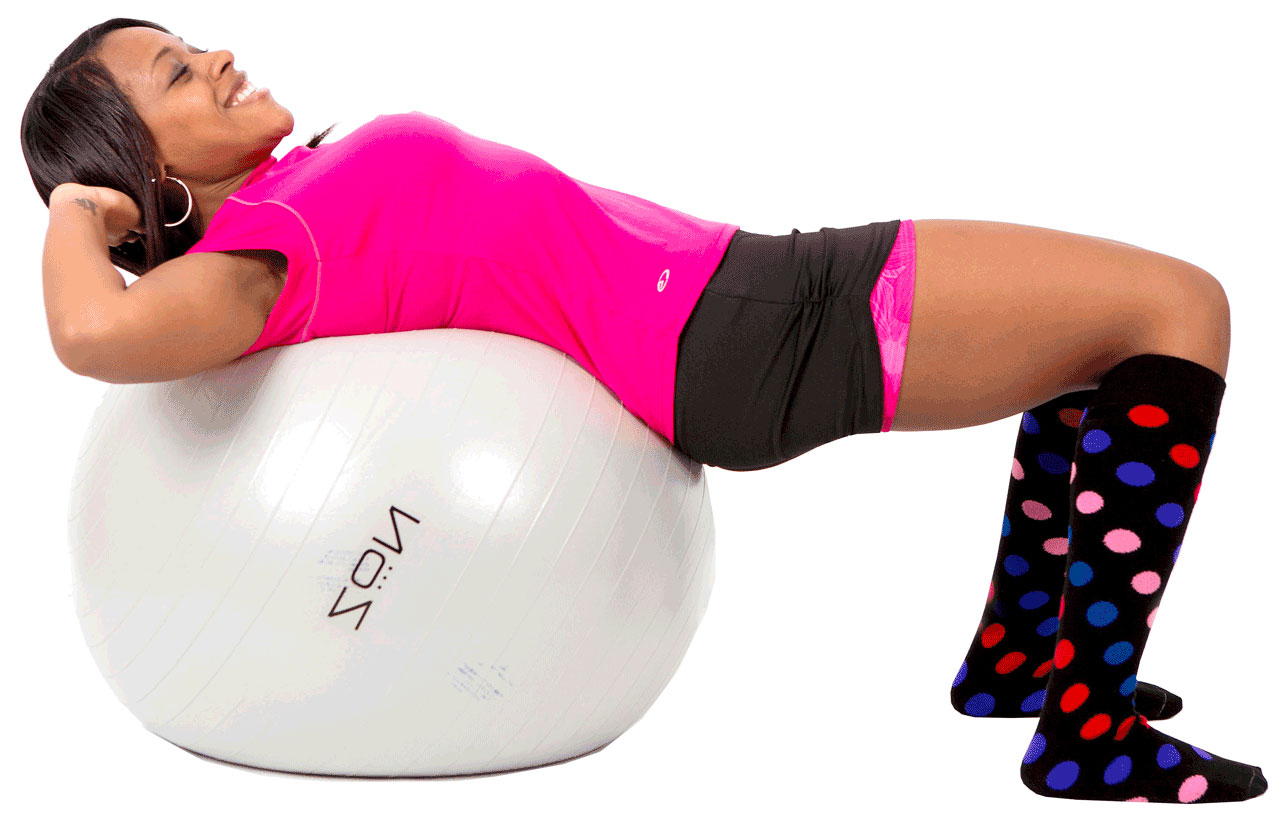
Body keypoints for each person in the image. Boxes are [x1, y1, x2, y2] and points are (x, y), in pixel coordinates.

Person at [23, 17, 1264, 804]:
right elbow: (94, 334)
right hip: (747, 327)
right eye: (177, 73)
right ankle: (1084, 729)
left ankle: (1020, 663)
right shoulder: (258, 250)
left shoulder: (288, 195)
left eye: (190, 39)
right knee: (1174, 312)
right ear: (152, 172)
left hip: (749, 290)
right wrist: (78, 213)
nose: (221, 53)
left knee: (1106, 342)